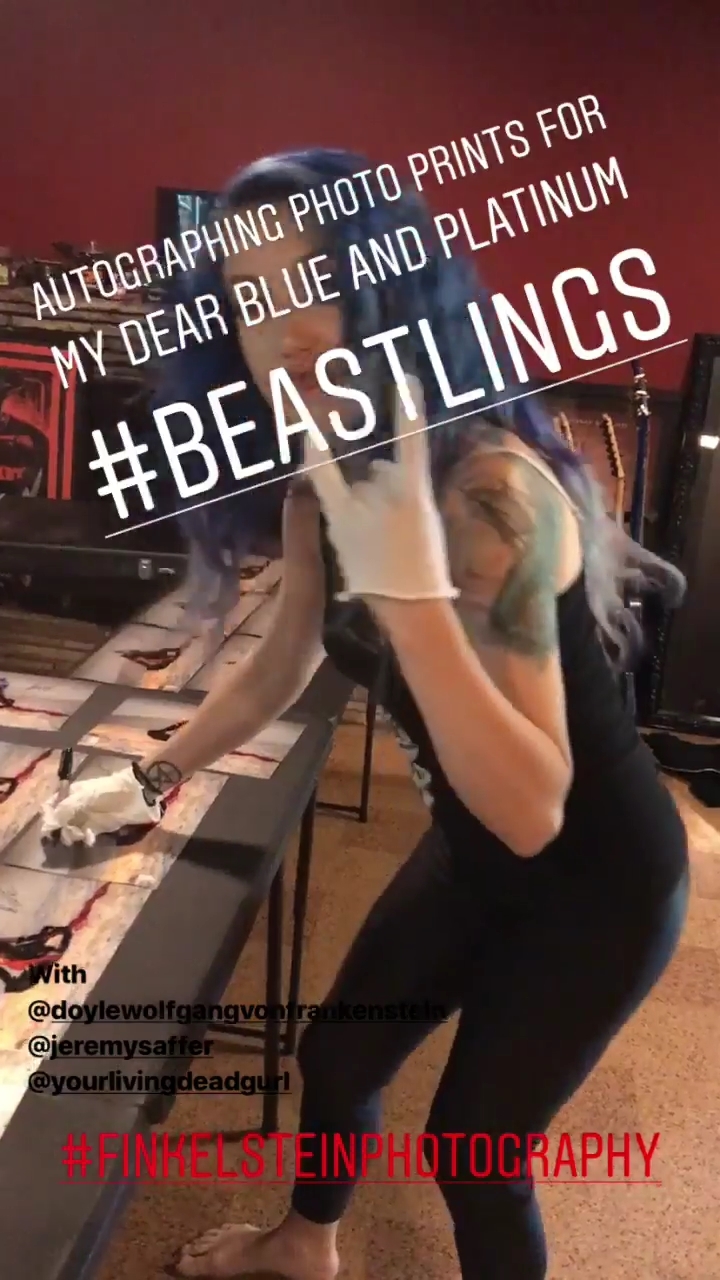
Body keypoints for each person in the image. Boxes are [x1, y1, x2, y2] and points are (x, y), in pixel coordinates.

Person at [41, 150, 690, 1280]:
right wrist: (149, 773)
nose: (288, 329)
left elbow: (536, 806)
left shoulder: (492, 493)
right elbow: (280, 663)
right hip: (473, 851)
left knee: (476, 1154)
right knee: (337, 1057)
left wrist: (412, 600)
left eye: (321, 280)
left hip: (599, 880)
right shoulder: (323, 475)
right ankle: (305, 1241)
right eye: (253, 299)